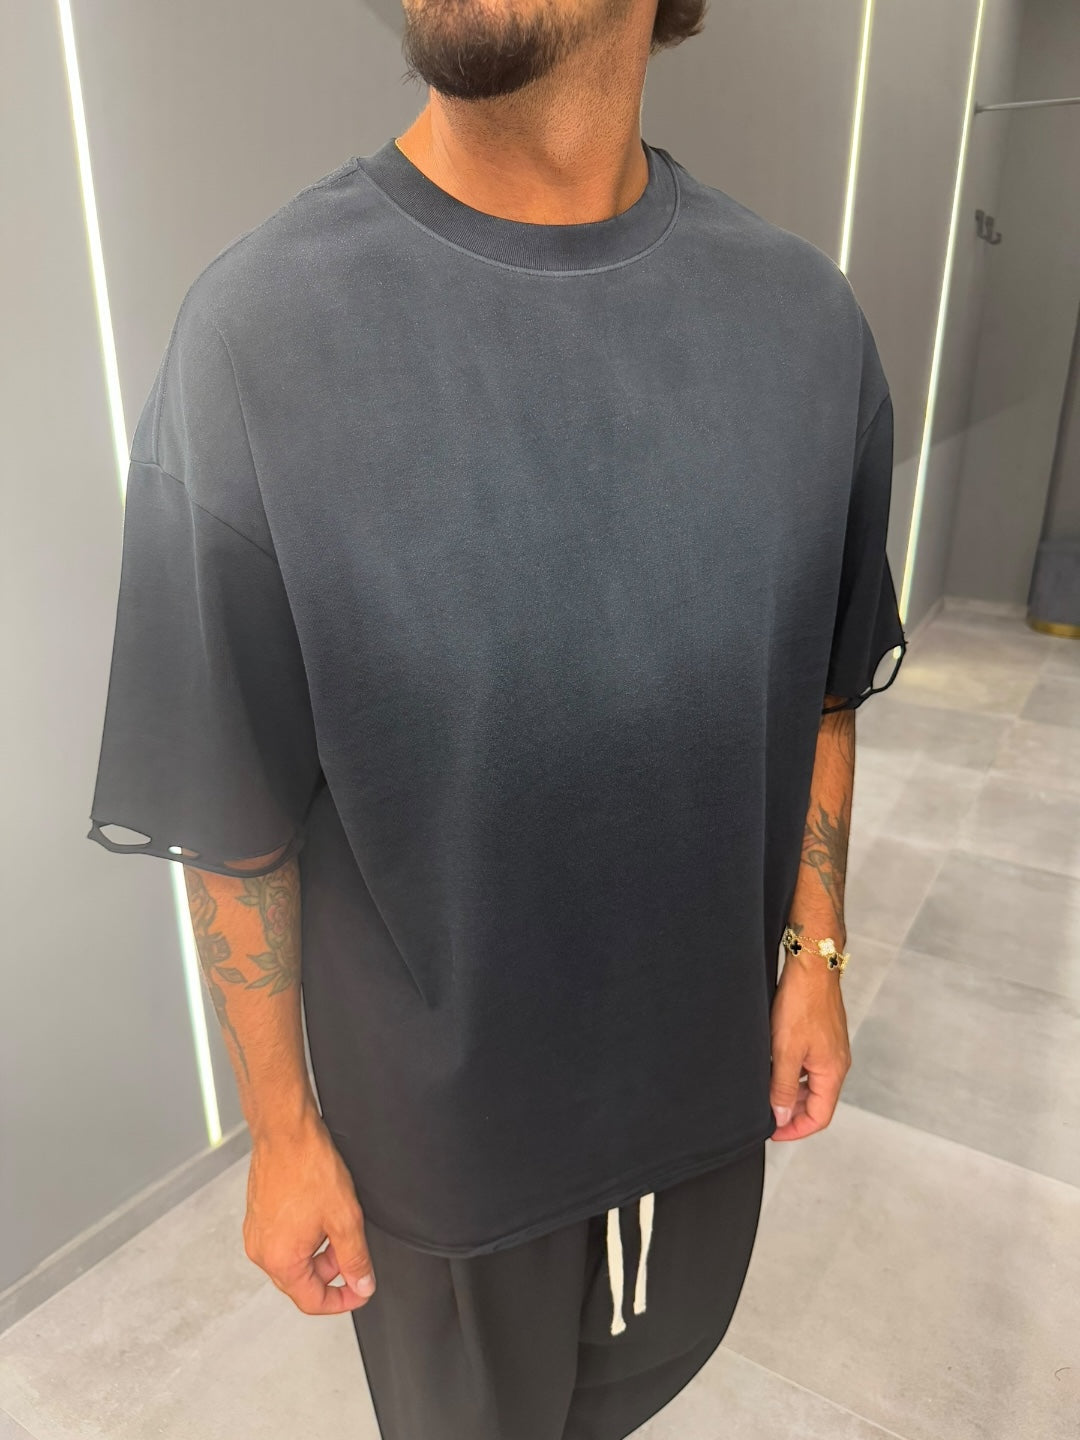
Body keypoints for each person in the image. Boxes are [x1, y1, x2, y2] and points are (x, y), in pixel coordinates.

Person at [87, 0, 908, 1433]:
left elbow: (825, 683)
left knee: (644, 1386)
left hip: (702, 1091)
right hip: (438, 1157)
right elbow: (231, 805)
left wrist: (815, 949)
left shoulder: (803, 328)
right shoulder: (259, 341)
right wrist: (282, 1129)